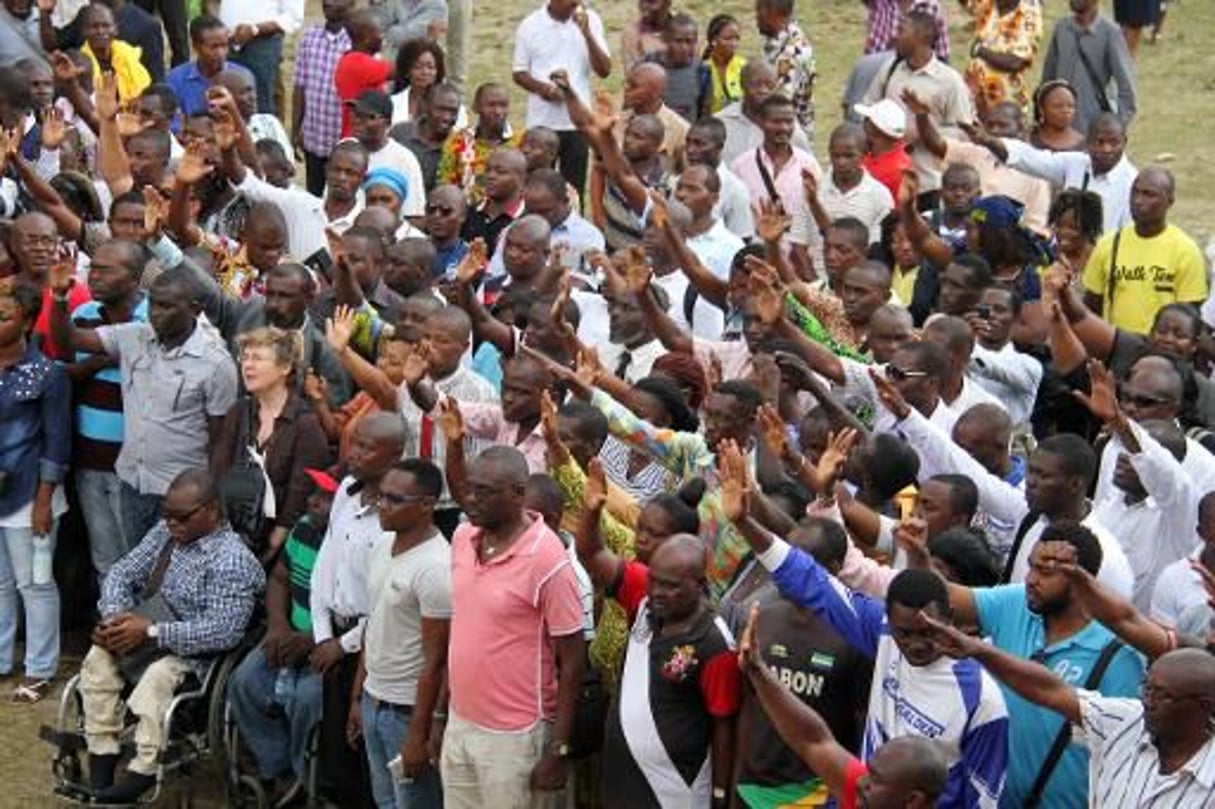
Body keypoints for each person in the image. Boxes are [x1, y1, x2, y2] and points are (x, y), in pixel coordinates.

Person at [721, 442, 1009, 807]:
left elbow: (983, 798)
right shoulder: (882, 631)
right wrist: (744, 522)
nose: (916, 644)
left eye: (929, 632)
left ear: (951, 620)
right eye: (906, 633)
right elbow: (808, 576)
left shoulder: (983, 700)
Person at [80, 469, 264, 804]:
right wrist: (115, 618)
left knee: (157, 678)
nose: (172, 523)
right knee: (98, 658)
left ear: (211, 510)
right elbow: (122, 572)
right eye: (167, 515)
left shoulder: (232, 560)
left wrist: (151, 632)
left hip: (196, 651)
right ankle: (101, 755)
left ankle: (144, 769)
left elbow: (224, 630)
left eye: (182, 517)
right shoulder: (165, 532)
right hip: (148, 626)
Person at [920, 618, 1215, 807]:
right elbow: (1051, 690)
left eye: (1162, 696)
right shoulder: (1126, 720)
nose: (1147, 701)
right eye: (1147, 688)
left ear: (1204, 706)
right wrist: (979, 650)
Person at [440, 446, 587, 809]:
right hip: (461, 722)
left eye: (484, 492)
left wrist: (559, 749)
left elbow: (572, 660)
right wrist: (439, 717)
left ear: (518, 494)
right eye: (470, 488)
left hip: (516, 736)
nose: (471, 499)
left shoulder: (547, 559)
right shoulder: (462, 538)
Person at [51, 269, 239, 549]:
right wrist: (59, 297)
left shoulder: (216, 363)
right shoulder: (134, 336)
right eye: (153, 304)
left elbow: (222, 438)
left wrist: (208, 498)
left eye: (167, 306)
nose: (156, 313)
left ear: (194, 309)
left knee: (169, 582)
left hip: (181, 497)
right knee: (135, 569)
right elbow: (71, 339)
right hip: (132, 484)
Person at [738, 604, 951, 809]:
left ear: (913, 801)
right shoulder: (863, 794)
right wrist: (757, 671)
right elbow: (813, 740)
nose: (860, 783)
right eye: (867, 772)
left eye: (874, 780)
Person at [226, 468, 335, 805]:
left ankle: (306, 777)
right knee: (243, 681)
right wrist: (277, 625)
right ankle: (279, 768)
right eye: (312, 492)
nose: (312, 500)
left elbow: (360, 618)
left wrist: (310, 638)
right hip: (287, 634)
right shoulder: (303, 528)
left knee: (307, 700)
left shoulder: (352, 546)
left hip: (329, 648)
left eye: (324, 497)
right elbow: (279, 579)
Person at [352, 458, 450, 809]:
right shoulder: (382, 545)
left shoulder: (436, 569)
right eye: (381, 496)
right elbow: (374, 624)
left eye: (394, 499)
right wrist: (357, 698)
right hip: (373, 700)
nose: (381, 505)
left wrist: (419, 734)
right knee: (385, 801)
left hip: (407, 712)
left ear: (426, 505)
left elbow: (437, 661)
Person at [0, 280, 70, 705]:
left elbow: (57, 442)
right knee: (0, 584)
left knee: (36, 583)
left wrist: (44, 501)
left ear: (27, 322)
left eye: (4, 316)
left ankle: (41, 669)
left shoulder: (48, 374)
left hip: (31, 496)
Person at [62, 240, 148, 580]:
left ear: (134, 278)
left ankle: (139, 633)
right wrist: (106, 357)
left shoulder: (157, 313)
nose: (92, 276)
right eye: (91, 268)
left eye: (104, 270)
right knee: (105, 561)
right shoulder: (82, 316)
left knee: (138, 562)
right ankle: (112, 631)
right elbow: (68, 374)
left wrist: (110, 355)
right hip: (90, 461)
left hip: (134, 467)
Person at [210, 327, 331, 557]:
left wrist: (278, 538)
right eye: (244, 357)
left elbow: (301, 489)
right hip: (229, 529)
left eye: (257, 358)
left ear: (285, 368)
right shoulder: (239, 411)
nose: (247, 365)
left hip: (275, 540)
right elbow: (219, 469)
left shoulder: (305, 424)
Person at [1080, 168, 1206, 335]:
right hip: (1117, 347)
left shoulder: (1186, 250)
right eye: (1135, 192)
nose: (1138, 201)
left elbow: (1190, 317)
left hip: (1163, 350)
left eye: (1149, 195)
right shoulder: (1109, 244)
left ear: (1170, 201)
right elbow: (1092, 304)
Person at [863, 9, 973, 199]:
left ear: (923, 37)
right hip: (888, 179)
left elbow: (964, 133)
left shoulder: (949, 81)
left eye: (901, 31)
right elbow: (868, 108)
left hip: (927, 184)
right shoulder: (890, 69)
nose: (894, 36)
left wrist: (923, 132)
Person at [511, 0, 611, 197]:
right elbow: (519, 72)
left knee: (573, 191)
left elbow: (604, 70)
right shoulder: (530, 25)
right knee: (535, 187)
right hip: (542, 124)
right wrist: (544, 90)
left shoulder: (591, 20)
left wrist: (587, 34)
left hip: (578, 125)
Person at [977, 112, 1136, 234]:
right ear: (1087, 142)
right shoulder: (1074, 163)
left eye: (1114, 143)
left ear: (1125, 142)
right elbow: (1030, 158)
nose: (1106, 149)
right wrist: (989, 141)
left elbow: (1129, 235)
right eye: (1099, 142)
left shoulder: (1132, 183)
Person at [1043, 0, 1138, 135]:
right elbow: (1048, 80)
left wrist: (1114, 129)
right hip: (1060, 130)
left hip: (1093, 130)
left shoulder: (1109, 33)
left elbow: (1127, 89)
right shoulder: (1061, 28)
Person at [292, 0, 354, 196]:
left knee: (342, 196)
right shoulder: (310, 37)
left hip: (343, 140)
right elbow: (299, 87)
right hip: (314, 136)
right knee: (314, 194)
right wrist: (295, 131)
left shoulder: (358, 42)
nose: (329, 3)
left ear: (351, 4)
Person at [715, 60, 812, 167]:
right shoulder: (720, 122)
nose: (763, 90)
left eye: (769, 85)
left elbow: (807, 164)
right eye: (756, 84)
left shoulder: (786, 127)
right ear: (742, 85)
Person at [346, 90, 427, 219]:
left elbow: (415, 217)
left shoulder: (404, 159)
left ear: (388, 123)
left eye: (369, 117)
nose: (358, 120)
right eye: (356, 114)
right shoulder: (346, 149)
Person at [44, 0, 166, 84]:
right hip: (86, 105)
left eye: (105, 26)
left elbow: (156, 81)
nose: (100, 31)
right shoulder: (85, 15)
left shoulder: (147, 25)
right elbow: (53, 44)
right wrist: (45, 13)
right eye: (94, 27)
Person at [165, 15, 254, 123]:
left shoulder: (243, 75)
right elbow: (173, 125)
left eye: (224, 45)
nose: (220, 53)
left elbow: (251, 120)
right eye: (213, 47)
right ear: (195, 46)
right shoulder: (175, 80)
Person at [964, 0, 1043, 116]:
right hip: (974, 95)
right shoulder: (988, 4)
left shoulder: (1029, 15)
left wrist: (980, 51)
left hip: (1004, 101)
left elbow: (1016, 62)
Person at [755, 0, 815, 140]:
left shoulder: (790, 53)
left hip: (785, 139)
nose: (756, 17)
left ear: (771, 12)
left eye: (759, 11)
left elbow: (777, 104)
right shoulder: (780, 42)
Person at [391, 82, 462, 191]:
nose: (447, 117)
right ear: (426, 106)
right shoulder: (400, 133)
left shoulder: (459, 146)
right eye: (441, 110)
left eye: (453, 112)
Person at [863, 0, 949, 61]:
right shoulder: (879, 3)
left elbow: (942, 56)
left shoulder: (931, 6)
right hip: (875, 69)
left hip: (914, 75)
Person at [703, 13, 744, 114]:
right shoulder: (703, 69)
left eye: (737, 38)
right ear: (714, 40)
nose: (734, 44)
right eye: (728, 39)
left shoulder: (744, 67)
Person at [1029, 80, 1087, 152]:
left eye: (1071, 106)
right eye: (1058, 106)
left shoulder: (1084, 145)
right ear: (1041, 110)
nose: (1066, 111)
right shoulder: (1027, 138)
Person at [621, 0, 672, 73]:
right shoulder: (632, 34)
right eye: (641, 1)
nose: (644, 6)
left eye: (651, 2)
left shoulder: (683, 30)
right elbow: (633, 76)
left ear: (668, 2)